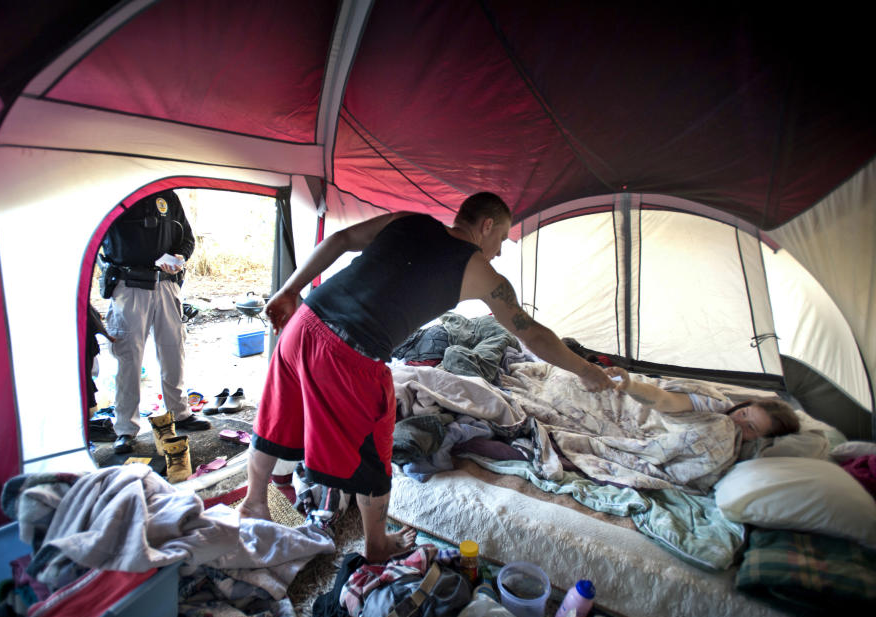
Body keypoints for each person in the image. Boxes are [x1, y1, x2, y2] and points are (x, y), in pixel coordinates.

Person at [236, 192, 613, 563]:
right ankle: (375, 544)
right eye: (501, 238)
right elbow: (530, 332)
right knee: (374, 447)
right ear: (486, 226)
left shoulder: (407, 219)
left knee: (277, 417)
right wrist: (586, 370)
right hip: (351, 353)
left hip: (304, 323)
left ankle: (253, 502)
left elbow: (340, 239)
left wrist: (289, 290)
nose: (499, 250)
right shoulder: (480, 269)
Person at [99, 189, 210, 454]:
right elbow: (106, 241)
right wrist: (150, 259)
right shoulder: (117, 194)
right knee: (128, 358)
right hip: (129, 286)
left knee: (173, 351)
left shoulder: (167, 196)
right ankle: (126, 429)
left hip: (167, 286)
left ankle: (180, 413)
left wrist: (180, 257)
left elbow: (187, 239)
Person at [604, 366, 799, 442]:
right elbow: (665, 400)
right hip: (629, 397)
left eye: (751, 427)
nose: (738, 420)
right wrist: (631, 386)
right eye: (745, 413)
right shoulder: (714, 406)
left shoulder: (737, 451)